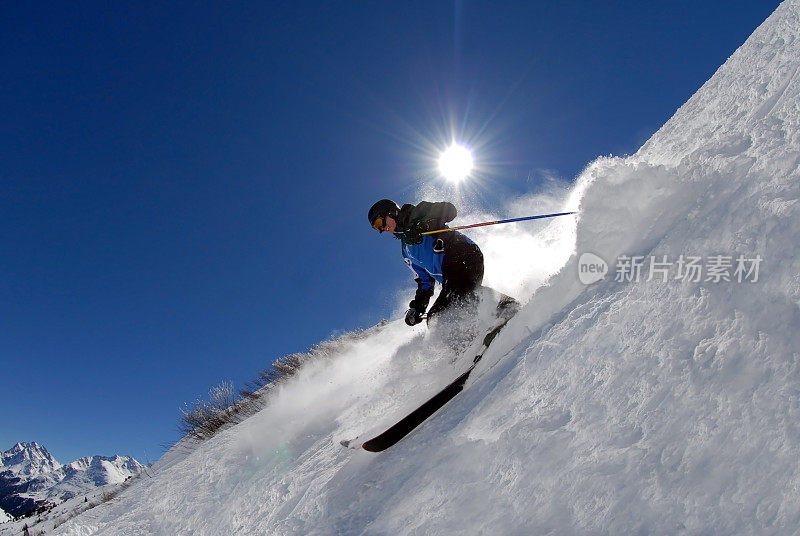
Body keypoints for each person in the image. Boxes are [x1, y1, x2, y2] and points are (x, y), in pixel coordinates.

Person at [368, 199, 515, 336]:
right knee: (436, 317)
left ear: (391, 212)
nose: (382, 229)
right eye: (377, 228)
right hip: (449, 277)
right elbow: (424, 282)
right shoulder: (406, 251)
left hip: (463, 254)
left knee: (457, 296)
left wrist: (424, 223)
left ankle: (505, 306)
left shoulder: (417, 213)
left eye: (380, 222)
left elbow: (450, 210)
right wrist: (417, 307)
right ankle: (468, 340)